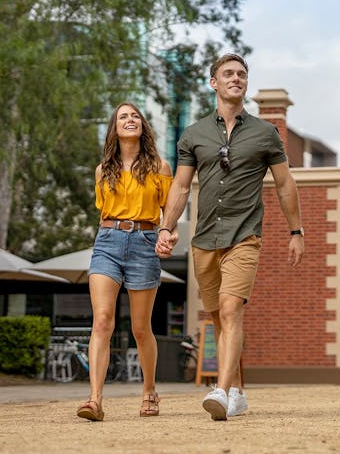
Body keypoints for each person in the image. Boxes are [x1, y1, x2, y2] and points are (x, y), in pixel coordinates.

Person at [155, 53, 304, 421]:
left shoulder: (265, 133)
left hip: (244, 234)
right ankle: (237, 391)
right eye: (228, 74)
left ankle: (220, 391)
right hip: (204, 238)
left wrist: (296, 231)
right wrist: (166, 226)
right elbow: (180, 186)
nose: (236, 78)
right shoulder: (194, 134)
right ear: (214, 83)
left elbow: (285, 184)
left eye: (241, 74)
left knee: (231, 307)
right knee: (219, 319)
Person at [77, 103, 173, 421]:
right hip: (107, 242)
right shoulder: (102, 170)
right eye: (123, 117)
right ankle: (94, 400)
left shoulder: (160, 167)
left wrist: (166, 234)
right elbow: (103, 211)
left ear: (143, 126)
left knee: (140, 328)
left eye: (135, 116)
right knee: (102, 321)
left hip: (144, 243)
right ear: (114, 128)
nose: (130, 120)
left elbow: (168, 212)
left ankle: (149, 392)